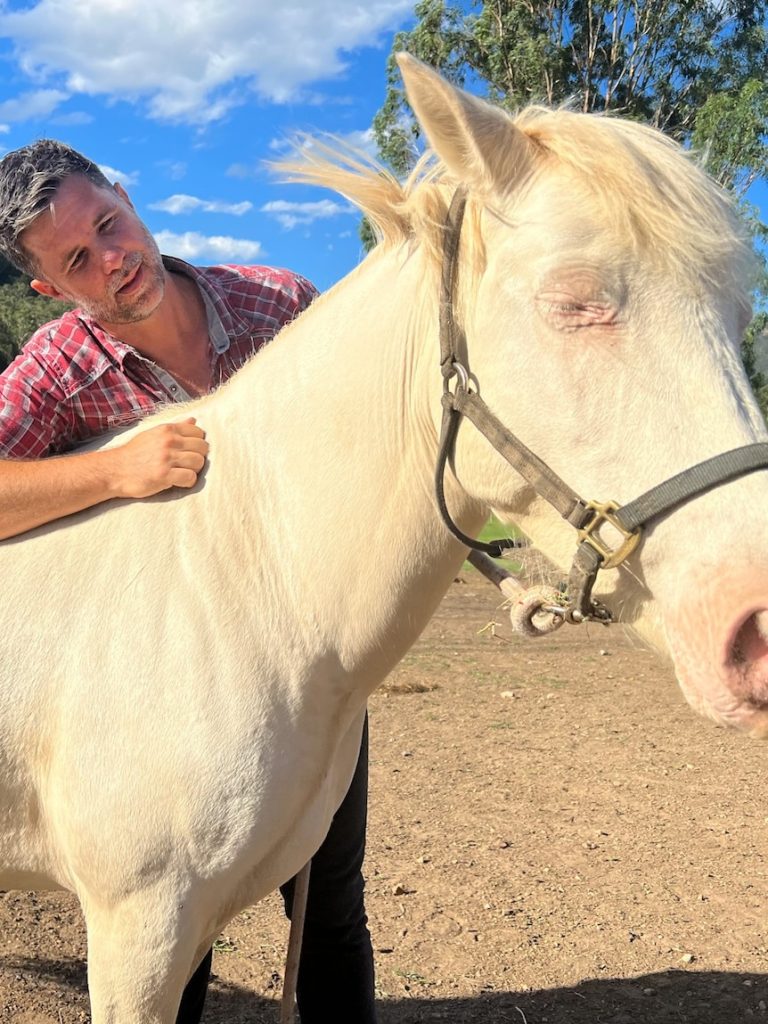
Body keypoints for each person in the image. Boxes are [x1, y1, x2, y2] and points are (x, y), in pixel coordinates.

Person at [0, 139, 377, 1024]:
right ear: (51, 290)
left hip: (318, 662)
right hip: (166, 699)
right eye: (79, 261)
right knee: (175, 910)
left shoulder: (279, 304)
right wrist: (112, 474)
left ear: (126, 195)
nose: (115, 259)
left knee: (331, 905)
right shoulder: (57, 371)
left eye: (108, 223)